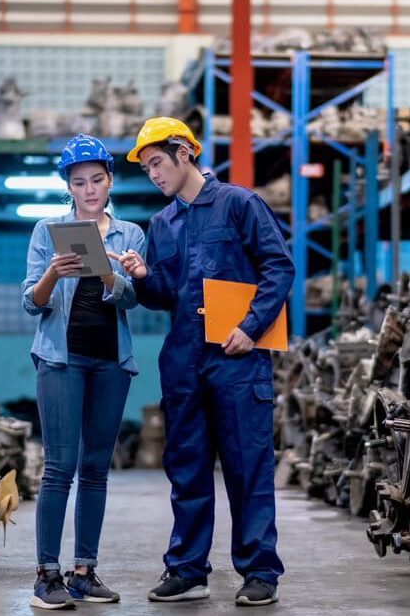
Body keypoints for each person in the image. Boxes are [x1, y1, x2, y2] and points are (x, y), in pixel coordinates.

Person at [114, 117, 294, 606]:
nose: (154, 174)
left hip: (237, 359)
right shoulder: (162, 224)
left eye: (157, 163)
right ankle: (188, 569)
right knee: (187, 468)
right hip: (184, 361)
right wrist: (144, 276)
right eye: (147, 168)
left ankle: (260, 571)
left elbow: (279, 267)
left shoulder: (240, 205)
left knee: (247, 467)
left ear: (184, 153)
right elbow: (165, 296)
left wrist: (251, 327)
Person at [21, 133, 145, 609]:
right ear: (68, 187)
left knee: (95, 468)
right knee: (59, 467)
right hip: (61, 361)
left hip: (111, 362)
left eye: (96, 180)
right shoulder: (47, 231)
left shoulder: (130, 235)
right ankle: (46, 575)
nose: (89, 190)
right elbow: (31, 302)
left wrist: (112, 274)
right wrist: (54, 272)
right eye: (79, 182)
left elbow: (133, 299)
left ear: (110, 180)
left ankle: (84, 573)